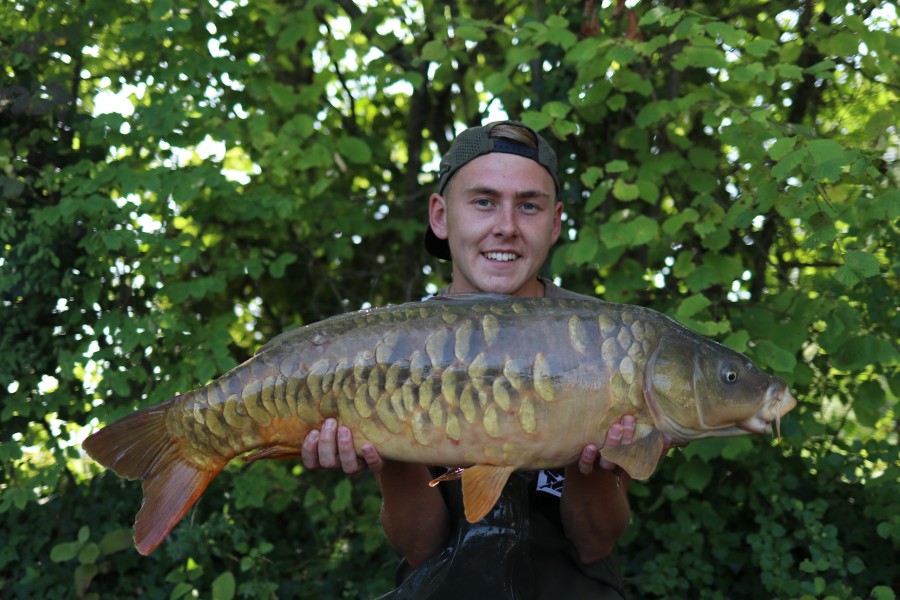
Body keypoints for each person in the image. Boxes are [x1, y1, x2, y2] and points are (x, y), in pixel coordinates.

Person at [301, 121, 635, 599]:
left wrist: (597, 466)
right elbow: (420, 549)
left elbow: (595, 541)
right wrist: (387, 453)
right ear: (440, 216)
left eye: (529, 206)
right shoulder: (392, 350)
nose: (506, 226)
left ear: (556, 222)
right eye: (483, 202)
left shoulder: (610, 341)